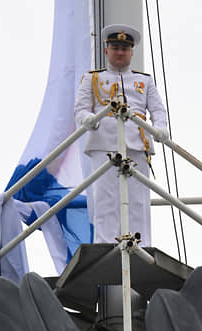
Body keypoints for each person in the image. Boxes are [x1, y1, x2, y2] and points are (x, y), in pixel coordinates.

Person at [74, 23, 168, 246]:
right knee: (105, 196)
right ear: (106, 50)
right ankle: (106, 242)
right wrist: (88, 119)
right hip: (104, 142)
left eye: (124, 49)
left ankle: (139, 242)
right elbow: (80, 109)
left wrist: (160, 128)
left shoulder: (144, 81)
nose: (119, 52)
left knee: (138, 198)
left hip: (136, 142)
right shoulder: (92, 79)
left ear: (131, 52)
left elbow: (157, 110)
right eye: (115, 47)